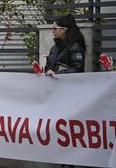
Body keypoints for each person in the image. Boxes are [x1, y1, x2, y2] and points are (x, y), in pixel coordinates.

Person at [45, 15, 86, 168]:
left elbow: (77, 69)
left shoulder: (75, 47)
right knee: (58, 130)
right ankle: (63, 161)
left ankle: (69, 163)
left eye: (55, 29)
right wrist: (45, 71)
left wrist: (57, 75)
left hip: (70, 96)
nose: (52, 32)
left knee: (68, 130)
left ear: (64, 30)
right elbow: (49, 66)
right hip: (55, 94)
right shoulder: (54, 47)